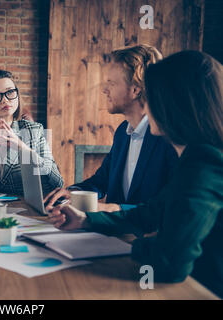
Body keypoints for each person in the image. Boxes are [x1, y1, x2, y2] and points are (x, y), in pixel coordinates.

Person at [48, 51, 223, 298]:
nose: (147, 105)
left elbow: (168, 263)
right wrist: (86, 220)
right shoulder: (197, 157)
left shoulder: (204, 162)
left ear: (172, 104)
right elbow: (152, 212)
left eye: (153, 97)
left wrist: (134, 245)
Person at [44, 44, 178, 212]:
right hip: (113, 235)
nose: (105, 90)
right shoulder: (123, 131)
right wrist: (73, 192)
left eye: (111, 83)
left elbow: (165, 208)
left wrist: (108, 210)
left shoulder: (170, 139)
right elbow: (102, 180)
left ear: (135, 89)